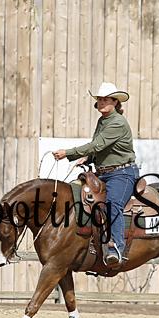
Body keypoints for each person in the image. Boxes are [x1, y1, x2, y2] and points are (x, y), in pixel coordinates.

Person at [52, 82, 139, 265]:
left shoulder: (117, 122)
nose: (101, 102)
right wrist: (88, 158)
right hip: (105, 173)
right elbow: (101, 149)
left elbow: (97, 145)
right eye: (99, 99)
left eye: (105, 99)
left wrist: (68, 153)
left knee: (112, 205)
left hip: (122, 174)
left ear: (115, 102)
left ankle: (116, 248)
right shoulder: (103, 121)